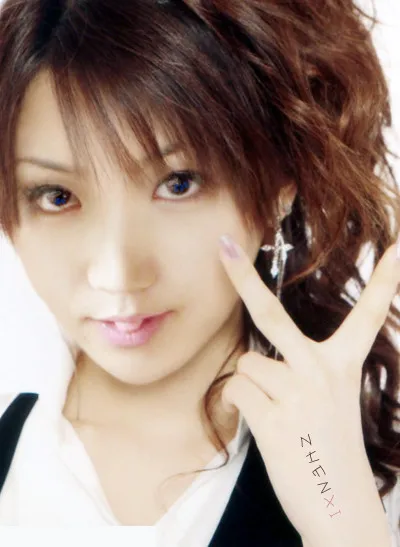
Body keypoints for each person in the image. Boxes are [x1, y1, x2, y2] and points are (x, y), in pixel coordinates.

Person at [0, 0, 399, 544]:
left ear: (278, 188)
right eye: (57, 196)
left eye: (178, 184)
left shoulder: (364, 480)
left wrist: (342, 517)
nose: (118, 274)